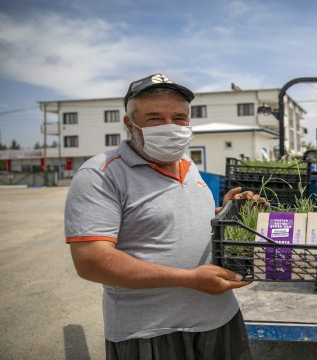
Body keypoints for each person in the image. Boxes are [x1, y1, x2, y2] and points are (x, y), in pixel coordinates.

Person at [65, 73, 261, 360]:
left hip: (220, 318)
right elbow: (91, 261)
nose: (170, 127)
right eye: (155, 118)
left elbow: (179, 219)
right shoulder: (102, 173)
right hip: (152, 333)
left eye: (179, 118)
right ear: (129, 124)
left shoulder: (188, 164)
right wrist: (187, 279)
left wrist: (225, 210)